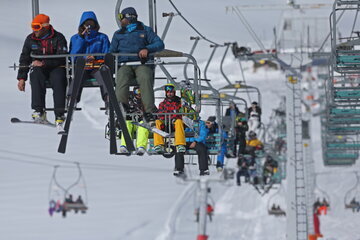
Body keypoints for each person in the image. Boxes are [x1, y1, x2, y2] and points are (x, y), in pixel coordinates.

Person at [109, 7, 165, 124]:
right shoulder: (119, 34)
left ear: (129, 17)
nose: (120, 20)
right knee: (122, 77)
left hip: (141, 63)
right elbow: (112, 51)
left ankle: (149, 111)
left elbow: (159, 44)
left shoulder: (145, 30)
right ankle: (121, 106)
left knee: (145, 77)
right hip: (125, 64)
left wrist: (147, 49)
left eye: (121, 17)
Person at [17, 14, 68, 127]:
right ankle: (39, 111)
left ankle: (59, 114)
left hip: (56, 67)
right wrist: (21, 78)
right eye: (33, 27)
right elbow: (24, 58)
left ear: (45, 27)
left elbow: (62, 57)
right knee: (35, 74)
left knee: (59, 78)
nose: (34, 30)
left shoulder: (58, 37)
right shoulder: (30, 39)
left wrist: (44, 63)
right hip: (40, 69)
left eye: (36, 27)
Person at [69, 11, 110, 103]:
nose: (89, 26)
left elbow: (107, 53)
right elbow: (72, 57)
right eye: (86, 23)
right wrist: (81, 39)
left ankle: (108, 98)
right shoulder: (76, 38)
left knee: (104, 75)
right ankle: (72, 98)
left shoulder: (102, 37)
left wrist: (95, 57)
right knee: (78, 76)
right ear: (82, 24)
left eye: (91, 23)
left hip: (97, 66)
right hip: (82, 66)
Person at [154, 84, 186, 153]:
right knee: (157, 122)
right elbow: (160, 115)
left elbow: (182, 114)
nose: (170, 94)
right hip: (165, 124)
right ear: (166, 93)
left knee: (179, 121)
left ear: (174, 92)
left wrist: (174, 118)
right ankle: (159, 144)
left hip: (174, 125)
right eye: (168, 92)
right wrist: (167, 118)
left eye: (171, 92)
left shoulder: (178, 103)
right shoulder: (162, 104)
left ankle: (180, 144)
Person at [119, 86, 149, 155]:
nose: (139, 93)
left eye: (140, 91)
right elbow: (123, 110)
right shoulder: (129, 101)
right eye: (137, 91)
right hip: (132, 121)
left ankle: (141, 146)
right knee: (127, 124)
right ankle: (125, 145)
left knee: (143, 125)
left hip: (141, 121)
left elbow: (152, 110)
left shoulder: (147, 101)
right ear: (134, 92)